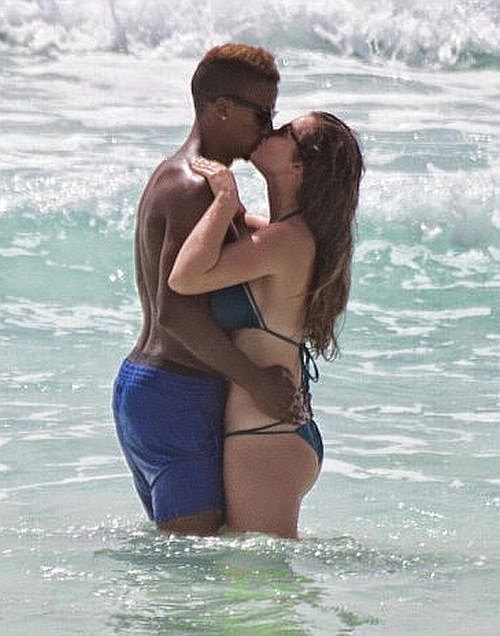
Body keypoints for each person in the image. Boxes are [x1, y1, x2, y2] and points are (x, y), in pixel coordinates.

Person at [112, 44, 299, 536]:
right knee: (192, 565)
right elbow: (176, 312)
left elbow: (269, 242)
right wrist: (257, 382)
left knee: (188, 557)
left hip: (157, 389)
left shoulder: (188, 177)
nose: (268, 129)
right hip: (176, 393)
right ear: (221, 109)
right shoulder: (195, 187)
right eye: (262, 115)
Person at [169, 111, 364, 538]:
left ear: (299, 166)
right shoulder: (287, 235)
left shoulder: (285, 241)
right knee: (253, 570)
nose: (268, 130)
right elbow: (240, 227)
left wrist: (224, 198)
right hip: (274, 432)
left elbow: (184, 278)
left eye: (285, 132)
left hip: (265, 437)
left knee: (258, 575)